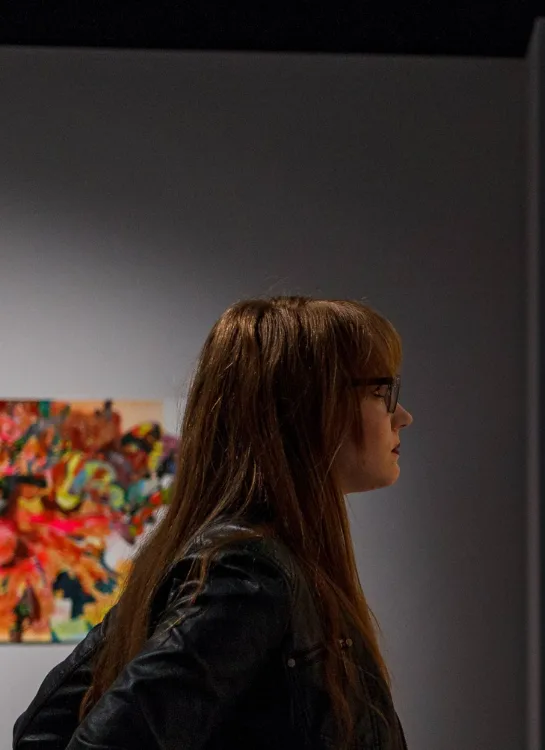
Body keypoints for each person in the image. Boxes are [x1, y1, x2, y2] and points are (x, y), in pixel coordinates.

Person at [12, 296, 414, 749]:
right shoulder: (248, 574)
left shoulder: (240, 559)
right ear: (307, 408)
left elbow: (41, 727)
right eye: (381, 393)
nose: (402, 416)